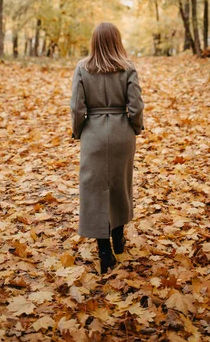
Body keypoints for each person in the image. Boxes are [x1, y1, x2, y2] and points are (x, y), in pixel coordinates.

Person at [70, 22, 144, 274]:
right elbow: (136, 105)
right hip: (122, 133)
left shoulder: (82, 68)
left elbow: (77, 108)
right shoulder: (128, 67)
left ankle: (104, 252)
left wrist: (79, 131)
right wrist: (135, 127)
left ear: (94, 41)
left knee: (94, 190)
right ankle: (119, 240)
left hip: (94, 135)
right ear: (117, 40)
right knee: (120, 185)